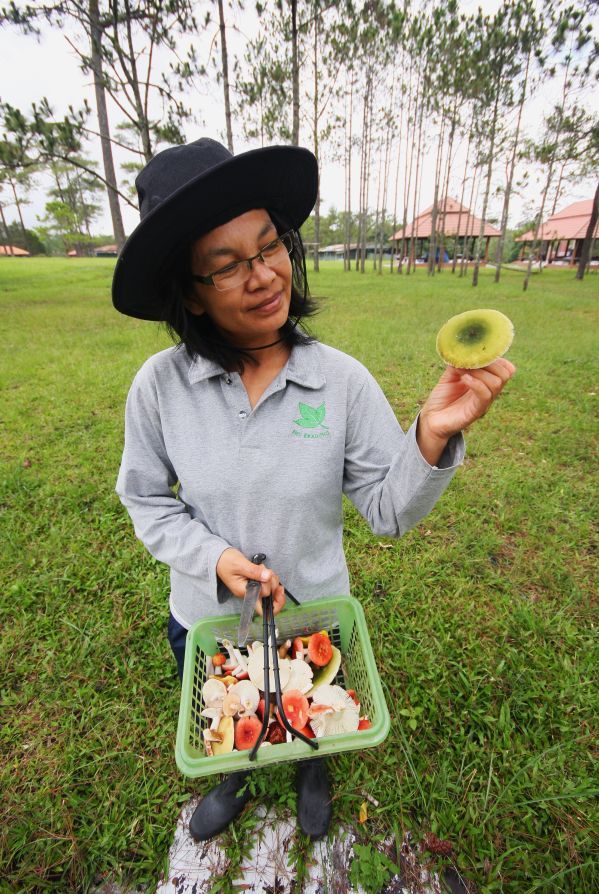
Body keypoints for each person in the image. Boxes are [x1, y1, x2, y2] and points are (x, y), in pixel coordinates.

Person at [113, 137, 515, 843]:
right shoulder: (159, 387)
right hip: (206, 615)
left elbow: (388, 511)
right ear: (191, 295)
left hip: (313, 613)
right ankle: (234, 773)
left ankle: (311, 767)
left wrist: (429, 436)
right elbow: (145, 497)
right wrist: (211, 558)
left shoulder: (341, 381)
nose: (263, 274)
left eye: (268, 247)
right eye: (228, 265)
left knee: (311, 708)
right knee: (228, 713)